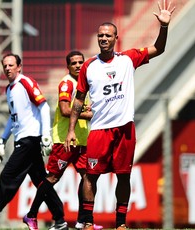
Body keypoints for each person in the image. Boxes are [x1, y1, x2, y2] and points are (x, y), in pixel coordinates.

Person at [64, 1, 175, 230]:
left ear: (116, 38)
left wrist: (163, 27)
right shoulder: (88, 67)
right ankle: (87, 221)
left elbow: (158, 49)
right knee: (90, 176)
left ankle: (121, 223)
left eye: (107, 35)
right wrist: (72, 129)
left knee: (123, 176)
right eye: (100, 36)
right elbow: (78, 99)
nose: (103, 39)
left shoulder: (128, 59)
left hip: (124, 128)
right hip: (99, 131)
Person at [0, 53, 66, 229]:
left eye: (11, 65)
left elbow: (44, 106)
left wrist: (45, 135)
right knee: (41, 181)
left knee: (7, 176)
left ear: (19, 67)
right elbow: (12, 118)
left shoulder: (26, 83)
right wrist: (2, 140)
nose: (7, 68)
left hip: (30, 139)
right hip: (21, 139)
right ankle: (60, 220)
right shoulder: (9, 90)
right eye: (5, 65)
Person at [24, 51, 102, 230]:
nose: (77, 65)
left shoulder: (85, 84)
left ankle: (83, 221)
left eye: (80, 62)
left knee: (88, 178)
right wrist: (89, 114)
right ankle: (31, 215)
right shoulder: (67, 83)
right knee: (52, 178)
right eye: (73, 63)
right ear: (68, 66)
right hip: (64, 140)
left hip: (81, 140)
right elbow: (66, 110)